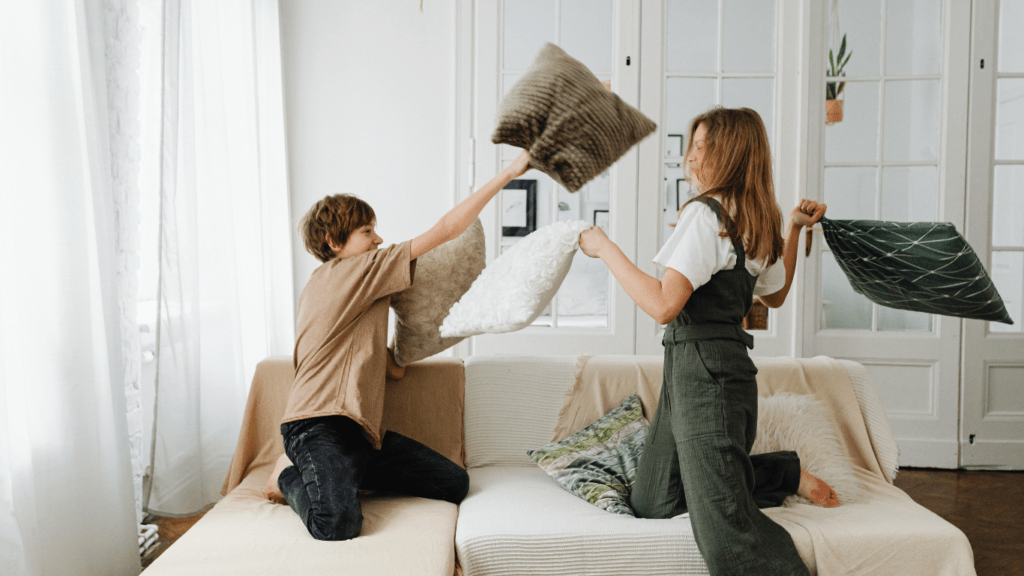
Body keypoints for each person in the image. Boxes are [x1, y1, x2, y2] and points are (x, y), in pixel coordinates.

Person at [579, 107, 835, 575]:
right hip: (698, 370)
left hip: (708, 377)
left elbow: (662, 305)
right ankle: (783, 473)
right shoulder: (756, 213)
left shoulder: (705, 214)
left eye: (701, 148)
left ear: (730, 153)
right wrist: (794, 229)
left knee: (724, 532)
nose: (690, 158)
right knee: (652, 501)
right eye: (691, 147)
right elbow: (775, 294)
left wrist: (605, 249)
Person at [263, 150, 532, 541]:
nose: (379, 239)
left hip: (359, 434)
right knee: (336, 525)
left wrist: (400, 346)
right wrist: (509, 172)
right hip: (316, 426)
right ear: (333, 241)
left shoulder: (345, 288)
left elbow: (389, 366)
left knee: (454, 483)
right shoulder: (353, 271)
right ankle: (287, 473)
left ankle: (344, 473)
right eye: (367, 231)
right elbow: (445, 230)